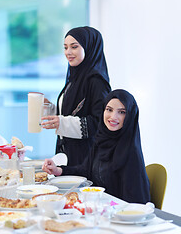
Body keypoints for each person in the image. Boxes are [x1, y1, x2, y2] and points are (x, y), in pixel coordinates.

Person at [42, 89, 150, 204]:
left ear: (130, 116)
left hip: (117, 215)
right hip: (97, 209)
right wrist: (58, 170)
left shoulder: (130, 153)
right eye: (109, 110)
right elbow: (85, 170)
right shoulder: (101, 141)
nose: (113, 116)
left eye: (122, 112)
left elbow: (134, 204)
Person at [41, 26, 111, 166]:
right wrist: (52, 109)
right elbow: (74, 112)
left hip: (86, 158)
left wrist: (62, 122)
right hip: (68, 154)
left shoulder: (97, 81)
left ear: (89, 47)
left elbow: (99, 123)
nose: (68, 52)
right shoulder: (75, 78)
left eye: (74, 47)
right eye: (65, 47)